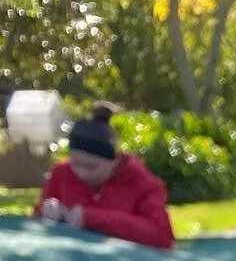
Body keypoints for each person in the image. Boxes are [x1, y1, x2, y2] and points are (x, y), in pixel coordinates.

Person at [33, 104, 175, 250]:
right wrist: (45, 212)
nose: (81, 173)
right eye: (75, 163)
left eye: (91, 166)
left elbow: (162, 236)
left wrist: (91, 218)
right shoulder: (61, 173)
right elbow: (35, 226)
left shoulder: (143, 183)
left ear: (114, 161)